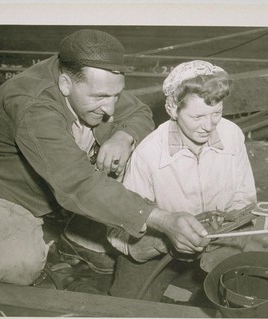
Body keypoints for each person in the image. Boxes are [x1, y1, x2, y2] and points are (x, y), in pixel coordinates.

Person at [0, 29, 211, 286]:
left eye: (116, 95)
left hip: (62, 186)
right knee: (18, 269)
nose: (110, 109)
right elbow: (78, 183)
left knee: (132, 150)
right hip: (10, 192)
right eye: (101, 98)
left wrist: (123, 137)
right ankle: (66, 232)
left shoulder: (88, 75)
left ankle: (76, 237)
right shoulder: (33, 106)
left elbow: (139, 112)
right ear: (64, 84)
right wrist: (164, 219)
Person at [107, 60, 257, 300]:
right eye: (197, 116)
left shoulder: (231, 135)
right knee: (125, 306)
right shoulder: (148, 153)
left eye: (216, 113)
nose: (208, 126)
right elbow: (119, 232)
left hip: (221, 243)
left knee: (242, 300)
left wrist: (228, 225)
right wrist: (164, 240)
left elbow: (245, 199)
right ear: (172, 107)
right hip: (160, 249)